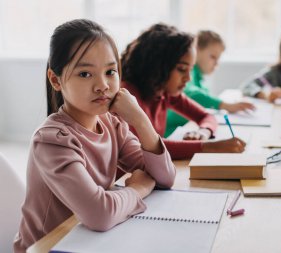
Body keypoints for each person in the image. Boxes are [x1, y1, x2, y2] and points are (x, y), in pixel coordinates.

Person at [14, 19, 176, 252]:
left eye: (110, 71)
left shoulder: (111, 122)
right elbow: (99, 214)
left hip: (92, 242)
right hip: (51, 246)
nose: (102, 85)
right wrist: (138, 189)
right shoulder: (51, 140)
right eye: (85, 74)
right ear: (55, 80)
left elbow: (164, 178)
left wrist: (140, 120)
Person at [120, 23, 246, 160]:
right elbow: (146, 147)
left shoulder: (164, 92)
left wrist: (204, 131)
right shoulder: (126, 97)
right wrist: (208, 147)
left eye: (190, 69)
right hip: (124, 178)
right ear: (158, 65)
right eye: (181, 69)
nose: (188, 78)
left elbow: (206, 116)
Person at [165, 30, 254, 137]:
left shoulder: (199, 78)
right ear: (196, 50)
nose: (217, 63)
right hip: (171, 136)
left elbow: (205, 114)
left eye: (218, 58)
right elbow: (192, 94)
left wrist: (206, 129)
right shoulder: (188, 75)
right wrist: (225, 105)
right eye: (213, 57)